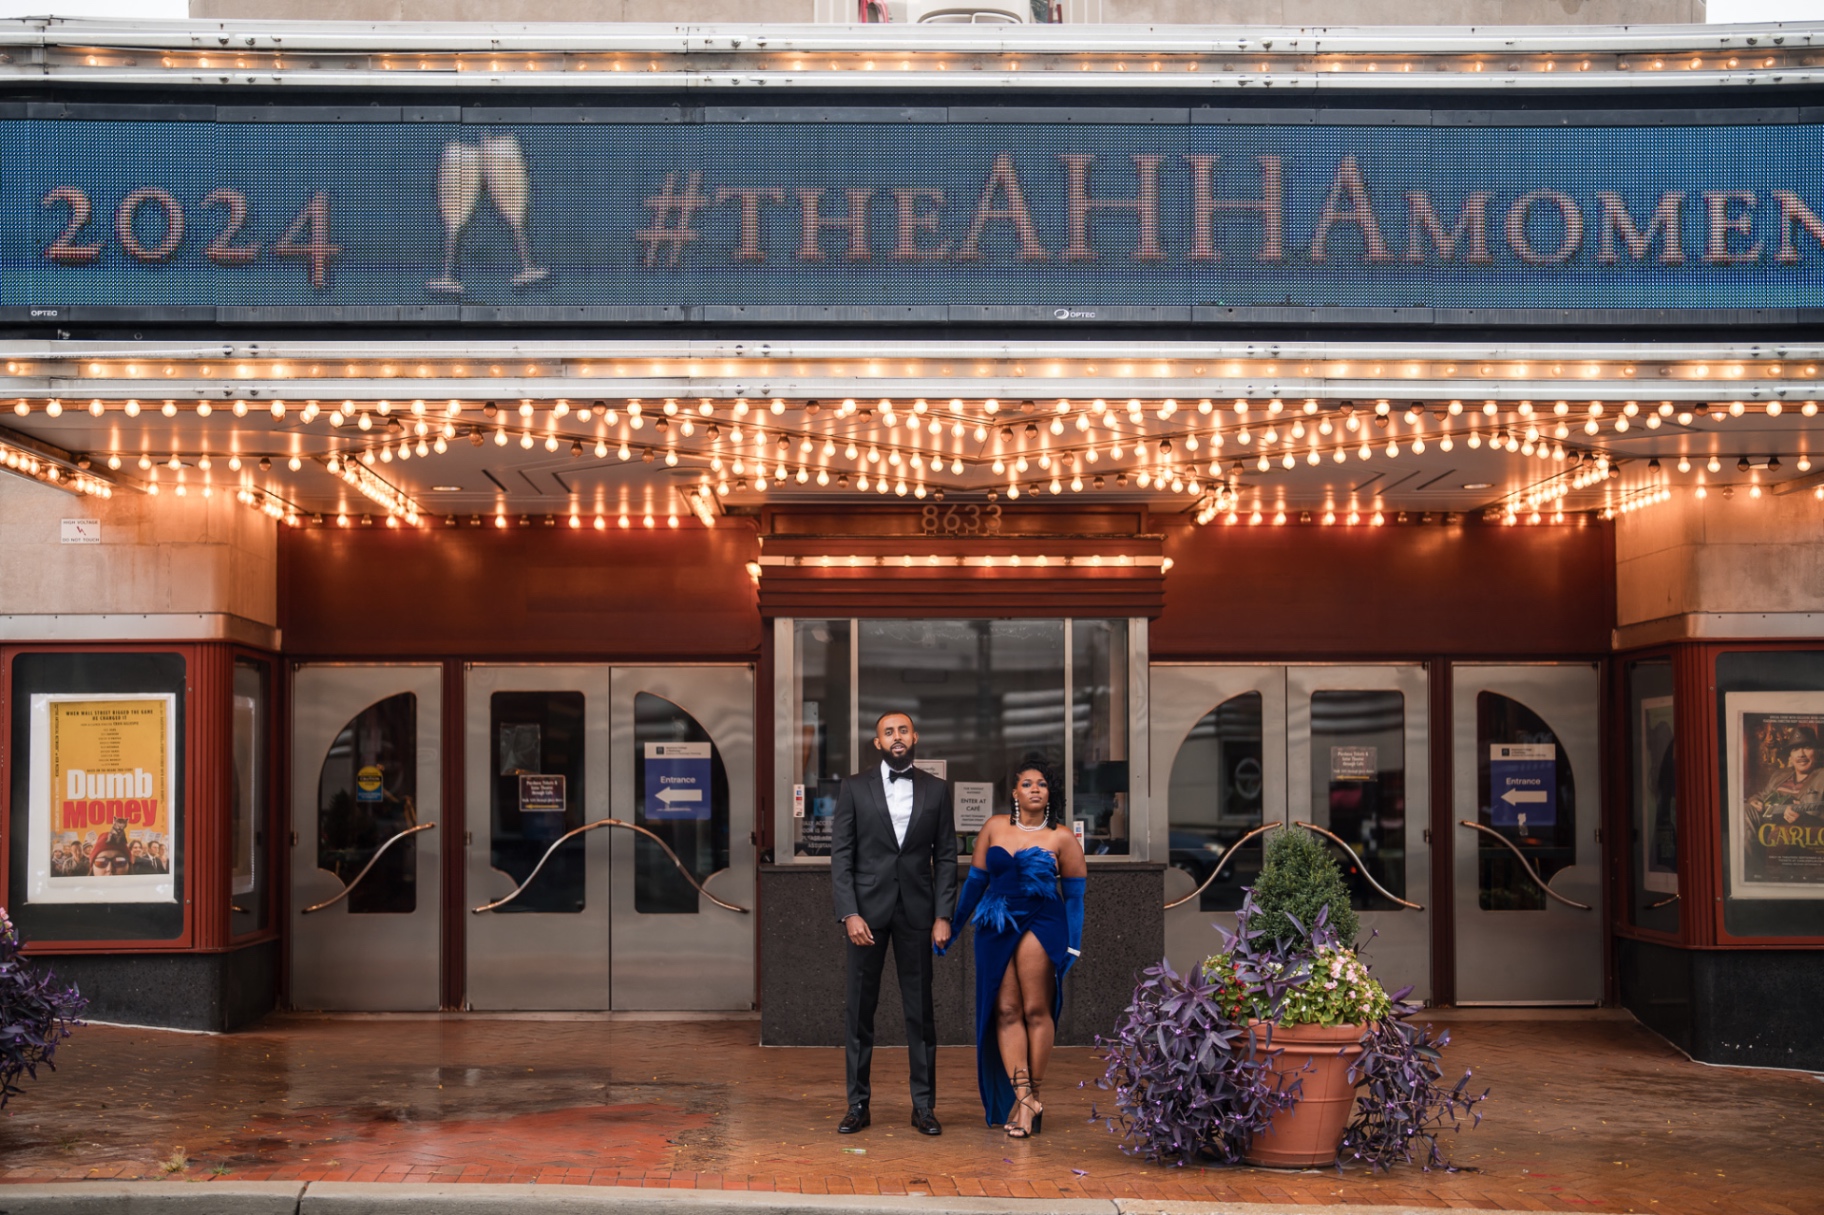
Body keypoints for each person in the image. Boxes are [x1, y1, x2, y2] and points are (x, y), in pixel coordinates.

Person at [941, 755, 1087, 1138]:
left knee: (1035, 1008)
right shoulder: (993, 827)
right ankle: (1024, 1099)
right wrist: (953, 928)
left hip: (1042, 921)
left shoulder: (1062, 837)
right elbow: (973, 884)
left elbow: (1074, 898)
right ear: (1015, 791)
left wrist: (1073, 947)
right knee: (1004, 1010)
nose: (1034, 789)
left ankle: (1031, 1097)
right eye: (1027, 783)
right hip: (996, 921)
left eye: (1041, 783)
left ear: (1049, 792)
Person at [830, 710, 957, 1137]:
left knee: (920, 1014)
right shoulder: (852, 788)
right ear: (878, 742)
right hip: (865, 915)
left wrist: (943, 915)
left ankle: (923, 1107)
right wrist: (849, 913)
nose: (897, 737)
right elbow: (842, 856)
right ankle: (857, 1104)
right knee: (859, 1012)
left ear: (915, 737)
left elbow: (945, 857)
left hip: (918, 915)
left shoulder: (937, 791)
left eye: (903, 730)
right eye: (889, 731)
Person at [1749, 724, 1824, 826]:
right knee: (1746, 809)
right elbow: (1761, 796)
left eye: (1807, 747)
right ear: (1790, 756)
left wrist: (1805, 820)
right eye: (1795, 749)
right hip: (1767, 831)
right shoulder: (1778, 776)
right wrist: (1754, 800)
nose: (1801, 754)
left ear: (1817, 752)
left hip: (1798, 837)